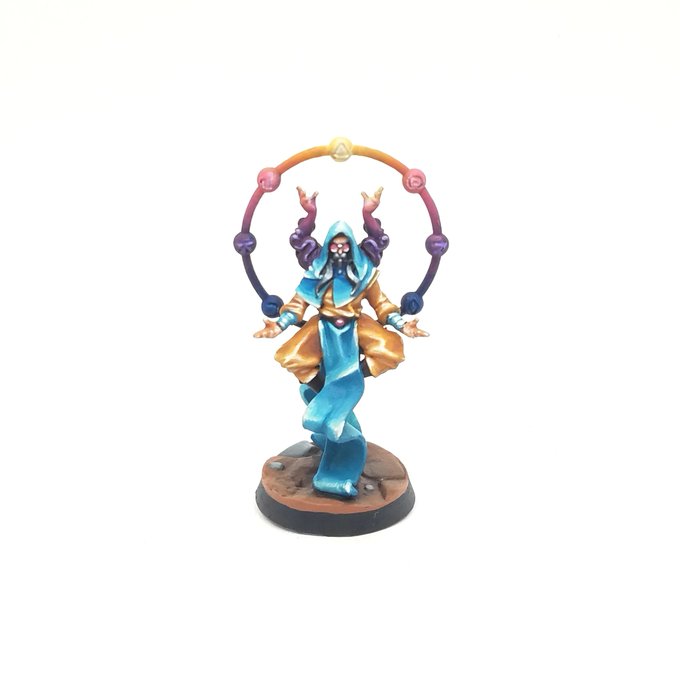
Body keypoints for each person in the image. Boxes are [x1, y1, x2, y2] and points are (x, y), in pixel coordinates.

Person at [254, 190, 428, 497]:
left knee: (389, 350)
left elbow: (383, 305)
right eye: (334, 245)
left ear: (352, 247)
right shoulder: (316, 272)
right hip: (322, 329)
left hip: (356, 328)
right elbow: (297, 305)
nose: (339, 249)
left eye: (344, 245)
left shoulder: (364, 274)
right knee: (292, 356)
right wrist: (277, 325)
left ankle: (351, 382)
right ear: (327, 247)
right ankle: (324, 394)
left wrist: (403, 325)